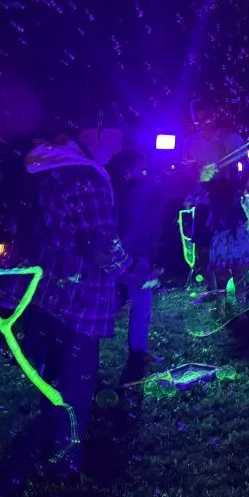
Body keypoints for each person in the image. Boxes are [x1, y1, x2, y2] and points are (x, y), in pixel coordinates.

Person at [21, 125, 135, 471]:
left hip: (41, 295)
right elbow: (99, 245)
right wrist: (133, 272)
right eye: (117, 135)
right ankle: (65, 467)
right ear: (97, 131)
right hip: (79, 302)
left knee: (50, 377)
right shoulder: (86, 175)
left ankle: (44, 450)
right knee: (75, 385)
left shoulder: (47, 168)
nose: (120, 146)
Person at [106, 149, 164, 385]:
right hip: (127, 258)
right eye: (141, 166)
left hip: (136, 258)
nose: (144, 170)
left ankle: (138, 353)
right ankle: (135, 353)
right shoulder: (124, 193)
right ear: (128, 170)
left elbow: (150, 228)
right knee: (125, 304)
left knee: (140, 306)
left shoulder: (137, 192)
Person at [182, 98, 249, 291]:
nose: (202, 122)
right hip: (204, 201)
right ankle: (212, 290)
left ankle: (241, 291)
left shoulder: (231, 138)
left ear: (214, 115)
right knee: (203, 247)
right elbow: (188, 171)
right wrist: (191, 190)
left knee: (234, 248)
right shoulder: (191, 142)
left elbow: (246, 165)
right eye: (197, 119)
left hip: (228, 201)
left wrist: (242, 187)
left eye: (206, 117)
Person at [206, 174, 249, 309]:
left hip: (222, 240)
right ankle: (241, 307)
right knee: (238, 274)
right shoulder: (233, 203)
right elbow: (244, 220)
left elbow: (211, 224)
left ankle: (221, 309)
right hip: (236, 238)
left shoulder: (215, 203)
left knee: (222, 276)